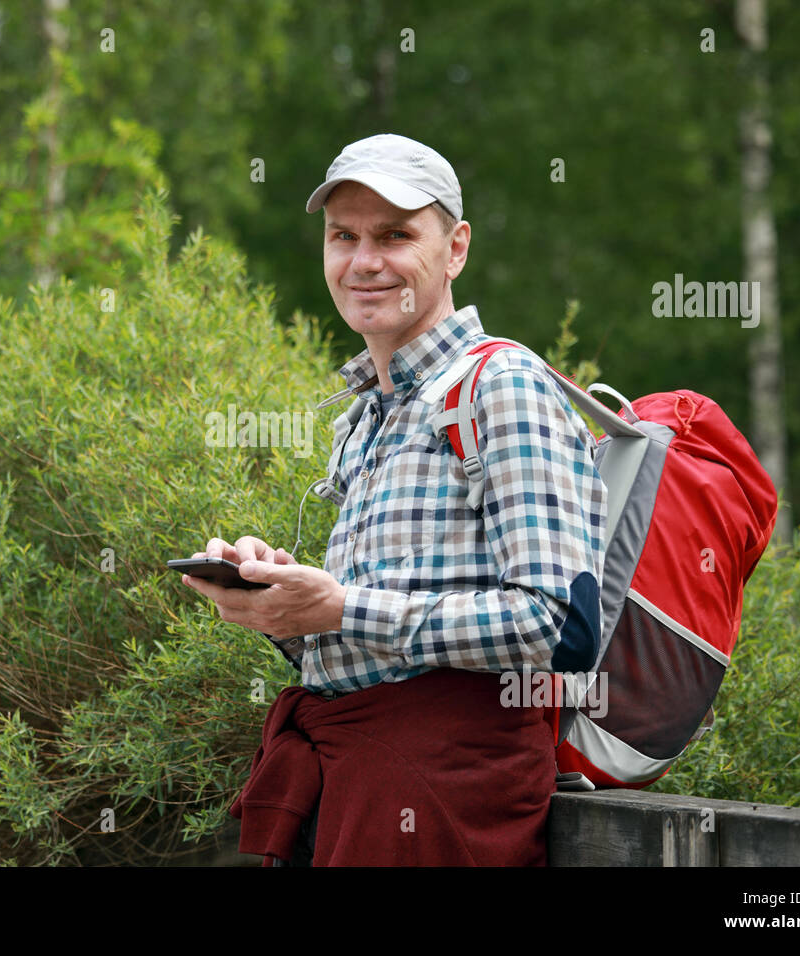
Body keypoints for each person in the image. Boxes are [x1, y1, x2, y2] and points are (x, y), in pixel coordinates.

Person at [179, 133, 607, 866]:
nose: (364, 261)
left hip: (448, 790)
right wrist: (282, 605)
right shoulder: (366, 413)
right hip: (363, 777)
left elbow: (560, 628)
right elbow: (375, 645)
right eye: (343, 235)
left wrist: (341, 607)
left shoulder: (501, 386)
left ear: (456, 248)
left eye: (395, 235)